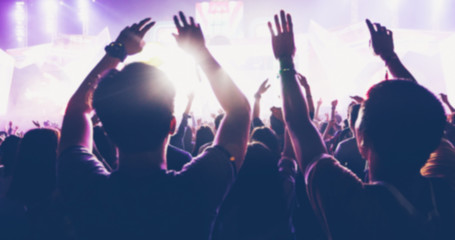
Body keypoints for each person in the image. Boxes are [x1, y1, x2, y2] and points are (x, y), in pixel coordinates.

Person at [58, 13, 250, 240]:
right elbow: (239, 111)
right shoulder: (195, 190)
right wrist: (200, 53)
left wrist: (117, 51)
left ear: (107, 130)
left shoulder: (87, 189)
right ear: (172, 125)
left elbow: (76, 110)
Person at [268, 10, 454, 239]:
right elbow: (420, 113)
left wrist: (285, 61)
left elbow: (298, 124)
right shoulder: (447, 195)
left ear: (362, 139)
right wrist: (389, 57)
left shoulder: (352, 205)